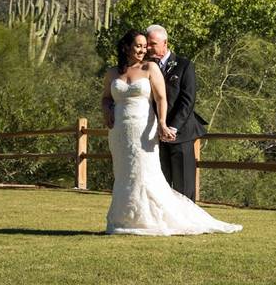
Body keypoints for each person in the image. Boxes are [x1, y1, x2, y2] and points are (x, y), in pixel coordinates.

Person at [101, 29, 241, 235]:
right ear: (126, 47)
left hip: (143, 129)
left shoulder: (150, 67)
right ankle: (124, 218)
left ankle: (152, 219)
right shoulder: (113, 72)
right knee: (124, 174)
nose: (143, 49)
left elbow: (161, 98)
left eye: (145, 46)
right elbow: (106, 97)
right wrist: (107, 111)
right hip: (120, 131)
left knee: (145, 173)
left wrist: (163, 124)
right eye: (138, 45)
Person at [145, 24, 209, 200]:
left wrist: (172, 128)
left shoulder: (184, 65)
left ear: (165, 43)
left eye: (153, 43)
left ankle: (189, 222)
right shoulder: (145, 67)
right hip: (155, 135)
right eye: (147, 43)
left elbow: (187, 101)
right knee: (161, 184)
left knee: (183, 186)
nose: (148, 47)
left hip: (180, 134)